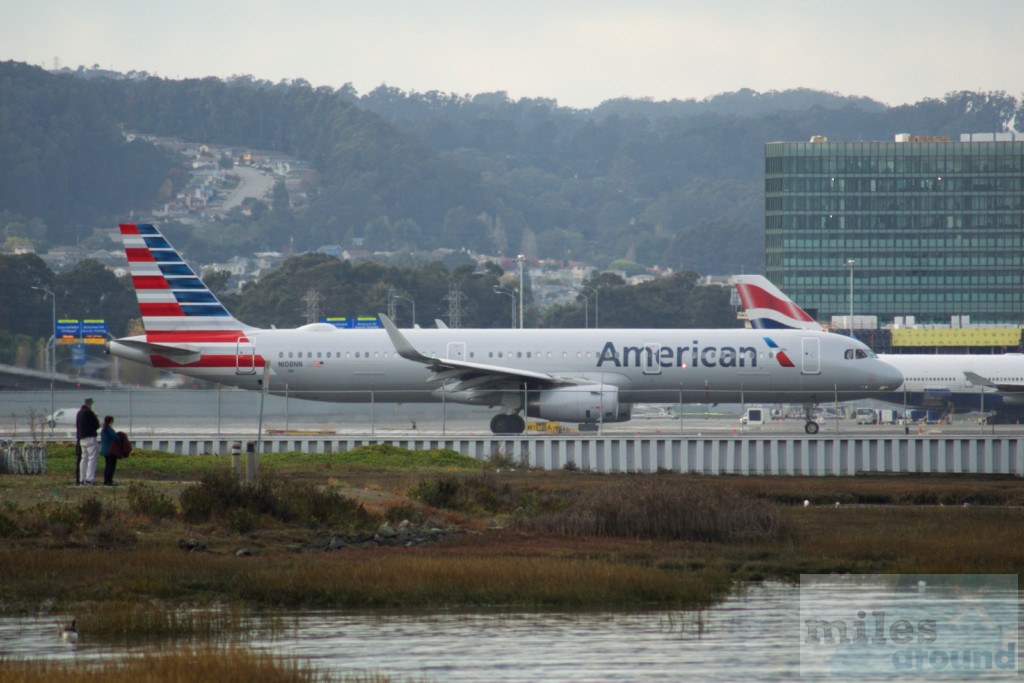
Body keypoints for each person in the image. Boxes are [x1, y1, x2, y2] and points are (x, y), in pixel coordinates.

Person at [75, 398, 100, 485]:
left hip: (82, 438)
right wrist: (96, 417)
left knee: (83, 458)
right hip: (90, 437)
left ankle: (82, 478)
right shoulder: (89, 412)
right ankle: (89, 479)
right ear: (90, 405)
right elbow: (96, 425)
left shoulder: (79, 413)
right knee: (92, 458)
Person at [99, 415, 122, 486]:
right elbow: (116, 437)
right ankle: (109, 481)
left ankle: (106, 480)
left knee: (107, 466)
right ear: (111, 421)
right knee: (111, 466)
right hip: (111, 450)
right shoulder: (109, 429)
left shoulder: (103, 429)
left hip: (105, 450)